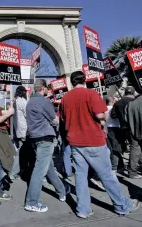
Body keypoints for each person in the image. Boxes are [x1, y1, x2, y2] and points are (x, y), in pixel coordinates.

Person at [60, 70, 140, 219]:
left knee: (81, 176)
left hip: (75, 143)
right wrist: (105, 116)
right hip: (93, 141)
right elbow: (99, 115)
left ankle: (83, 209)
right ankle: (122, 205)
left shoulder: (65, 98)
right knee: (107, 175)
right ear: (85, 80)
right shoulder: (91, 94)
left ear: (72, 82)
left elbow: (63, 119)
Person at [25, 79, 67, 213]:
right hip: (45, 138)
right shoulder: (44, 101)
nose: (48, 90)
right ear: (43, 88)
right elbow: (54, 119)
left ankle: (62, 190)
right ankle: (31, 202)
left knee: (48, 168)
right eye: (47, 88)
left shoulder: (30, 102)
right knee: (40, 170)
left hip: (34, 138)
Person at [110, 86, 138, 178]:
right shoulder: (134, 102)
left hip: (122, 128)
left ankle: (121, 166)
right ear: (133, 93)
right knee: (135, 148)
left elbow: (113, 115)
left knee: (123, 147)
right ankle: (132, 168)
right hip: (134, 127)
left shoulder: (118, 103)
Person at [11, 85, 28, 180]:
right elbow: (28, 114)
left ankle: (19, 171)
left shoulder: (15, 101)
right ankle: (14, 172)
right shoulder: (22, 101)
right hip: (24, 130)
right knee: (22, 152)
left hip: (17, 130)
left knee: (22, 152)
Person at [104, 96, 125, 173]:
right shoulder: (115, 108)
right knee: (117, 148)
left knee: (110, 148)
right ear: (112, 101)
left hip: (107, 129)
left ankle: (116, 165)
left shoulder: (104, 109)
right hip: (116, 128)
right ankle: (117, 166)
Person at [126, 93, 142, 178]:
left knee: (134, 151)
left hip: (134, 130)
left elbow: (126, 118)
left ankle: (132, 172)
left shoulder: (131, 103)